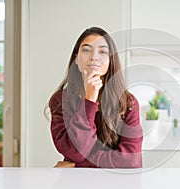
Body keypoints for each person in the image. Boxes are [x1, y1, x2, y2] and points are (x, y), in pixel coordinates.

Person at [48, 27, 143, 168]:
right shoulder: (60, 101)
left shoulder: (128, 103)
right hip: (75, 186)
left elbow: (130, 162)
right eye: (86, 50)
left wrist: (78, 165)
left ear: (111, 60)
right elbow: (75, 153)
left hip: (117, 186)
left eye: (103, 52)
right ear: (76, 59)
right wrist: (89, 101)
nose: (94, 57)